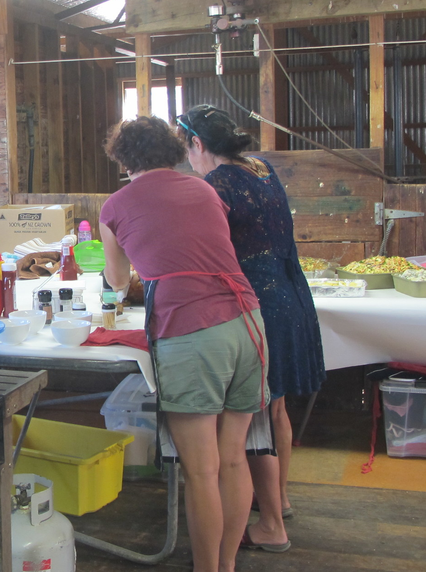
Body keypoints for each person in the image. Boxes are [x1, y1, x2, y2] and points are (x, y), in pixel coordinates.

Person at [100, 116, 268, 572]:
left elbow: (117, 282)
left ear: (122, 158)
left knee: (201, 471)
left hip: (192, 331)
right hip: (248, 321)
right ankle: (226, 565)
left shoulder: (115, 206)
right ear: (171, 151)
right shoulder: (203, 189)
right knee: (234, 459)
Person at [179, 104, 326, 551]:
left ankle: (272, 528)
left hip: (258, 304)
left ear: (197, 145)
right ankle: (278, 501)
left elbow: (205, 251)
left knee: (255, 419)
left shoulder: (216, 184)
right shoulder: (260, 166)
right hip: (290, 291)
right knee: (275, 409)